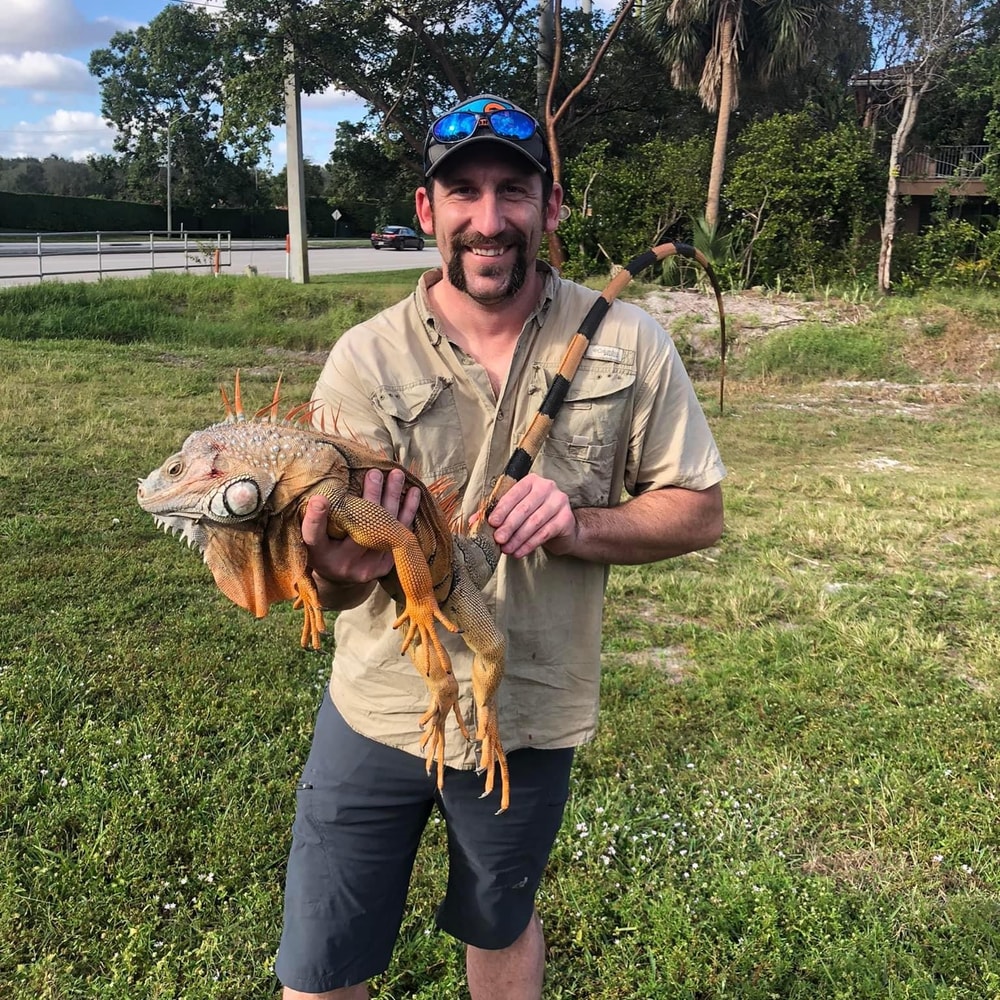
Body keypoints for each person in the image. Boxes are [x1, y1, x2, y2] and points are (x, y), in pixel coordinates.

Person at [275, 94, 726, 1000]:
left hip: (526, 711)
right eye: (465, 193)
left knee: (500, 919)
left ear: (549, 207)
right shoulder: (362, 361)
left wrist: (577, 522)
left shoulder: (629, 340)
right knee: (319, 964)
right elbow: (317, 580)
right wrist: (334, 567)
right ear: (426, 211)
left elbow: (700, 511)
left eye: (513, 191)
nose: (490, 220)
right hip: (378, 704)